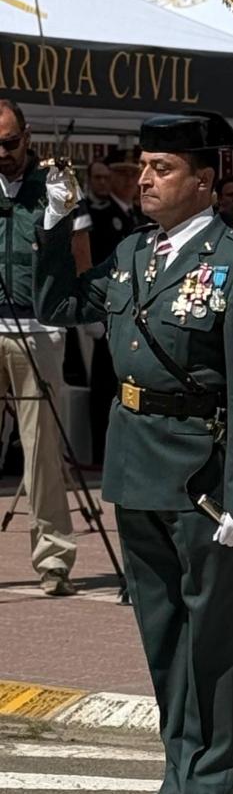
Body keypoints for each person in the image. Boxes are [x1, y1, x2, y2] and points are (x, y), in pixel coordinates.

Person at [36, 112, 233, 794]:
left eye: (162, 167)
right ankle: (178, 778)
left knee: (211, 633)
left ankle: (214, 785)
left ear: (204, 180)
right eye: (143, 165)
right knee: (162, 632)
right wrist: (56, 225)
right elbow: (57, 304)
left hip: (201, 474)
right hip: (135, 459)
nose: (144, 177)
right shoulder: (133, 255)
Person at [0, 98, 84, 595]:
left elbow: (65, 253)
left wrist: (59, 208)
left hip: (36, 327)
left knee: (42, 451)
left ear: (27, 137)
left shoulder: (50, 184)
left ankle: (53, 560)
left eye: (10, 143)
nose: (3, 153)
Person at [85, 159, 137, 467]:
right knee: (104, 386)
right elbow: (90, 263)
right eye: (123, 175)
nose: (130, 181)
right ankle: (100, 454)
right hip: (108, 311)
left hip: (133, 313)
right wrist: (93, 311)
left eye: (134, 175)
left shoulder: (136, 215)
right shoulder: (99, 216)